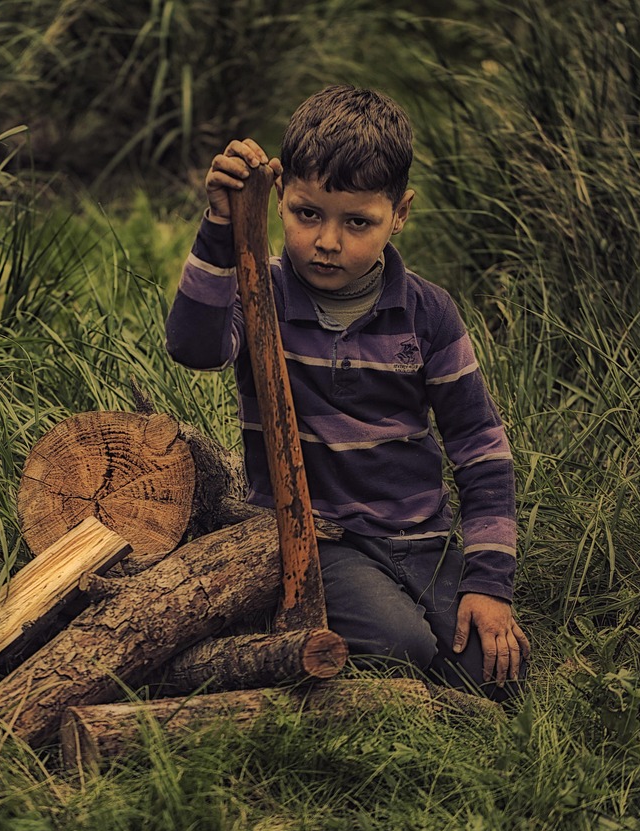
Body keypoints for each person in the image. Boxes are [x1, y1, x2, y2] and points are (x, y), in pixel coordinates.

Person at [166, 84, 529, 700]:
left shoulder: (427, 313)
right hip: (317, 541)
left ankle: (427, 652)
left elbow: (479, 447)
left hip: (422, 539)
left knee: (494, 674)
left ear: (401, 213)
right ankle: (291, 625)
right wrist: (222, 228)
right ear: (281, 197)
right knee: (402, 647)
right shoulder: (265, 294)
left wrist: (489, 583)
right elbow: (194, 348)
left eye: (357, 222)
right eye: (308, 213)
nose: (328, 241)